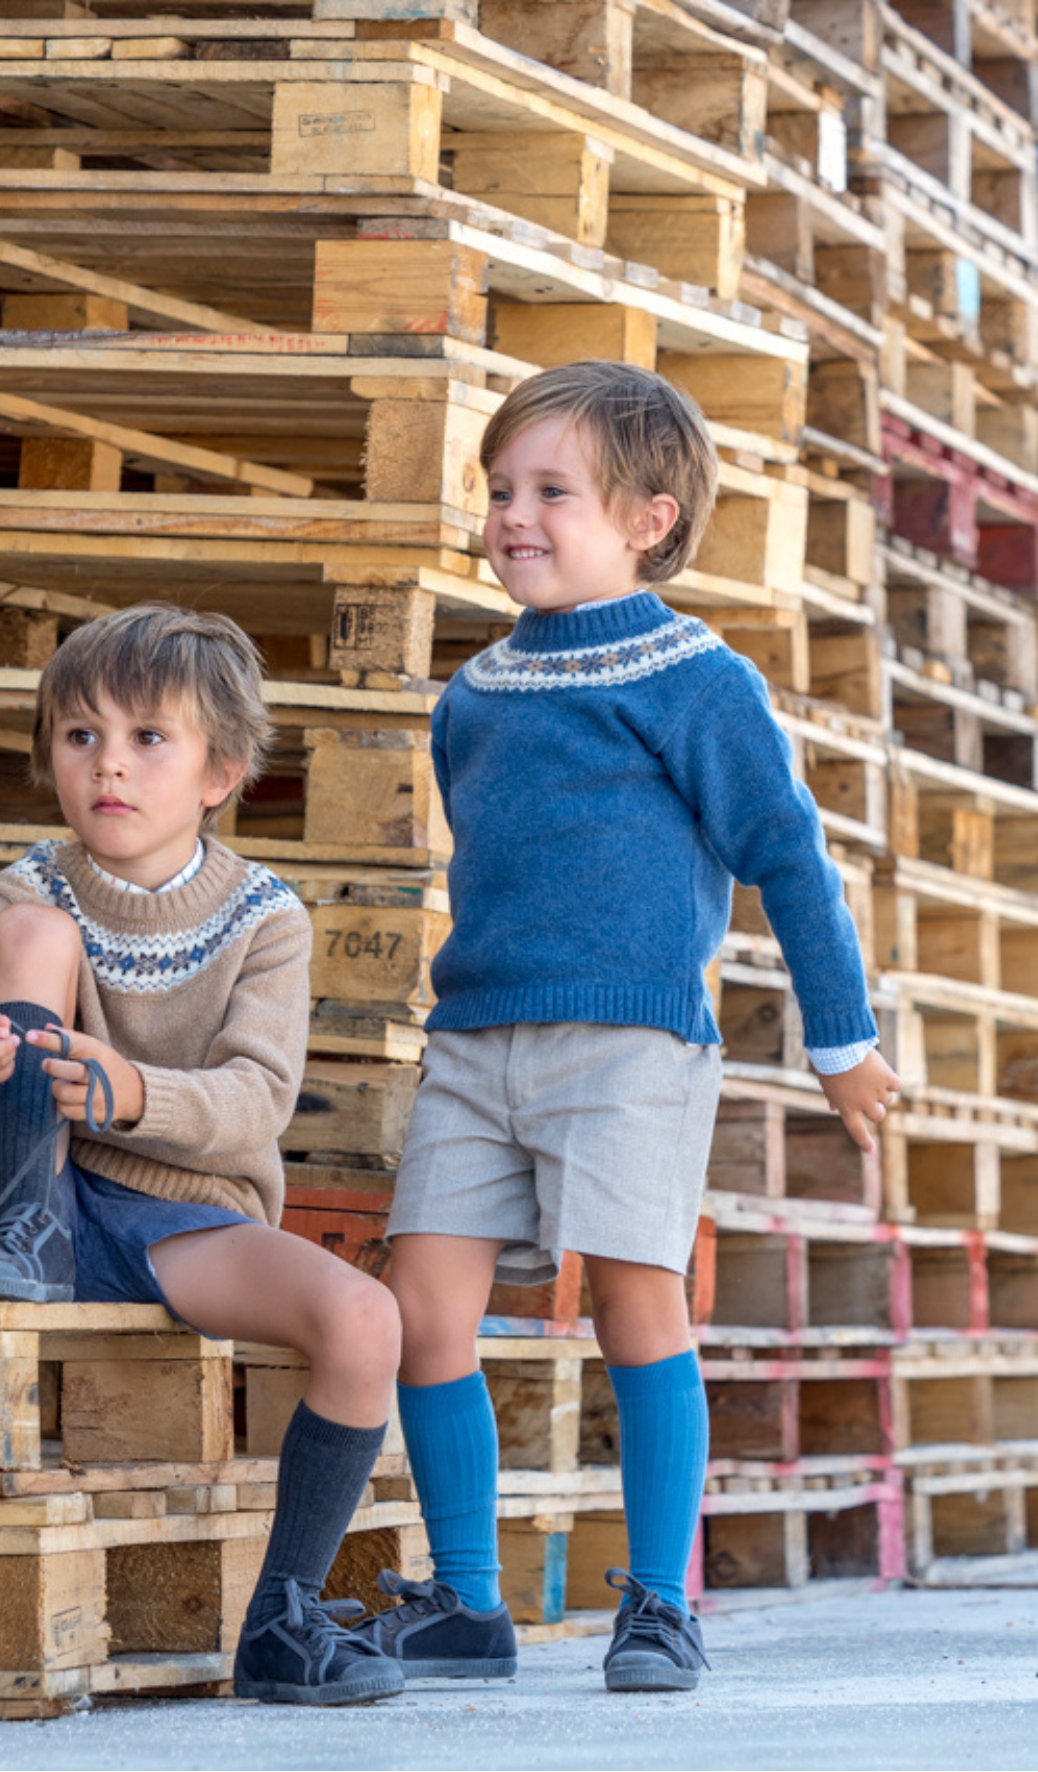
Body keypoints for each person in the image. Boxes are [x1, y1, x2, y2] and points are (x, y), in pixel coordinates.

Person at [350, 360, 902, 1693]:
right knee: (426, 1309)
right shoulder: (471, 695)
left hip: (633, 1044)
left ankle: (661, 1605)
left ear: (650, 518)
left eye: (552, 492)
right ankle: (469, 1607)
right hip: (476, 1043)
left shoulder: (697, 682)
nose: (511, 518)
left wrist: (844, 1041)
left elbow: (785, 851)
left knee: (637, 1307)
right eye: (498, 491)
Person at [0, 604, 405, 1707]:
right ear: (50, 759)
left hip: (183, 1219)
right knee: (31, 943)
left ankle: (284, 1617)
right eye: (80, 735)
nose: (110, 763)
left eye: (149, 737)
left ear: (224, 771)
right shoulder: (31, 885)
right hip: (33, 1192)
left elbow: (257, 1101)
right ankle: (29, 1221)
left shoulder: (267, 917)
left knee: (366, 1318)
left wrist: (135, 1088)